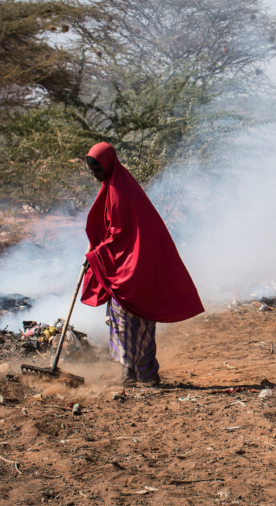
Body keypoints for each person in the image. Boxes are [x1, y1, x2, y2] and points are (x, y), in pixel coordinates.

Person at [81, 142, 204, 387]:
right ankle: (148, 373)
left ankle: (128, 374)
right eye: (92, 172)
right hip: (139, 264)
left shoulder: (117, 192)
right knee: (143, 318)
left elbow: (117, 235)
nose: (96, 176)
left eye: (98, 171)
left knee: (123, 316)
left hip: (130, 267)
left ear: (109, 165)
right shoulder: (119, 185)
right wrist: (94, 250)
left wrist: (95, 255)